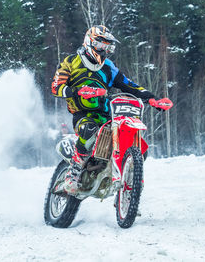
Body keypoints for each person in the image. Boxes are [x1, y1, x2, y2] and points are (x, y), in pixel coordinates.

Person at [51, 25, 170, 194]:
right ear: (89, 42)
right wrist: (77, 91)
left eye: (108, 46)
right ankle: (74, 171)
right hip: (83, 113)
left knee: (133, 138)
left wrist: (153, 99)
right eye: (101, 45)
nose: (104, 49)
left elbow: (129, 85)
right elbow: (56, 87)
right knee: (88, 129)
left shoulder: (108, 67)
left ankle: (129, 179)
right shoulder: (71, 62)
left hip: (108, 114)